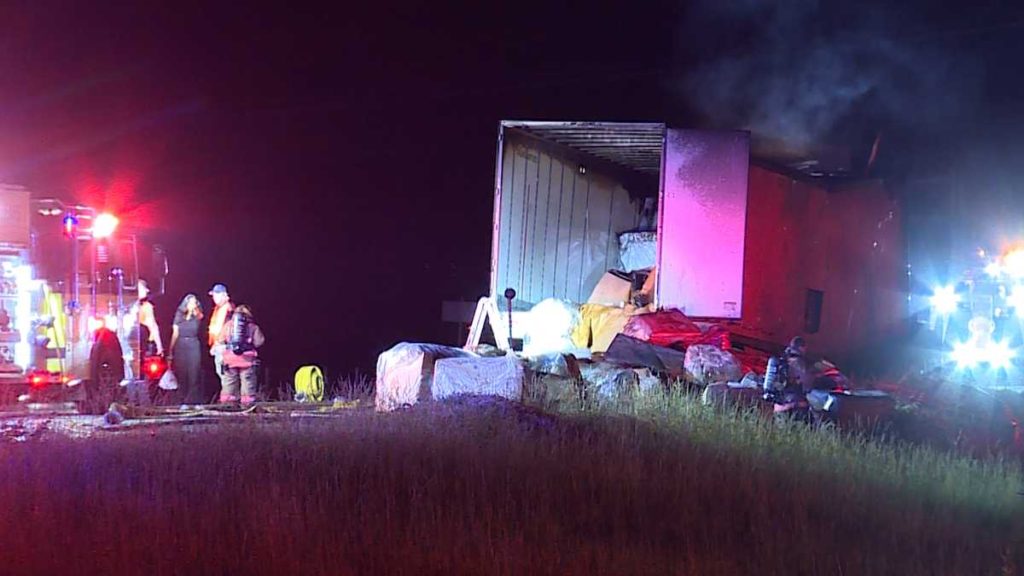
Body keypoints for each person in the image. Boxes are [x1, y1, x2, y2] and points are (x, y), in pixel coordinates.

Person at [217, 304, 265, 404]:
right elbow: (259, 342)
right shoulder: (253, 327)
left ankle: (227, 407)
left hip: (230, 360)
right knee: (248, 384)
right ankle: (247, 408)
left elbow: (220, 339)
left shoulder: (228, 325)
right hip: (247, 361)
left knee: (229, 384)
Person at [169, 294, 204, 407]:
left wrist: (195, 309)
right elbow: (175, 333)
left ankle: (195, 401)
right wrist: (170, 350)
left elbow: (200, 316)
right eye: (191, 302)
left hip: (193, 344)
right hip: (181, 344)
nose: (193, 304)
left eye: (195, 302)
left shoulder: (197, 314)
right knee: (182, 373)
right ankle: (184, 401)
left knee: (194, 373)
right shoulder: (179, 315)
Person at [207, 283, 234, 397]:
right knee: (224, 373)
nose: (213, 298)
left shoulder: (224, 308)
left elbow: (218, 327)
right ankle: (229, 396)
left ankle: (228, 397)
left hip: (222, 345)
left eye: (215, 295)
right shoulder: (224, 307)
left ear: (222, 295)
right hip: (223, 344)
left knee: (224, 373)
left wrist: (215, 343)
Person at [135, 279, 163, 357]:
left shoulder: (147, 306)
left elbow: (153, 326)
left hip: (142, 344)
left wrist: (159, 345)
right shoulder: (128, 305)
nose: (147, 291)